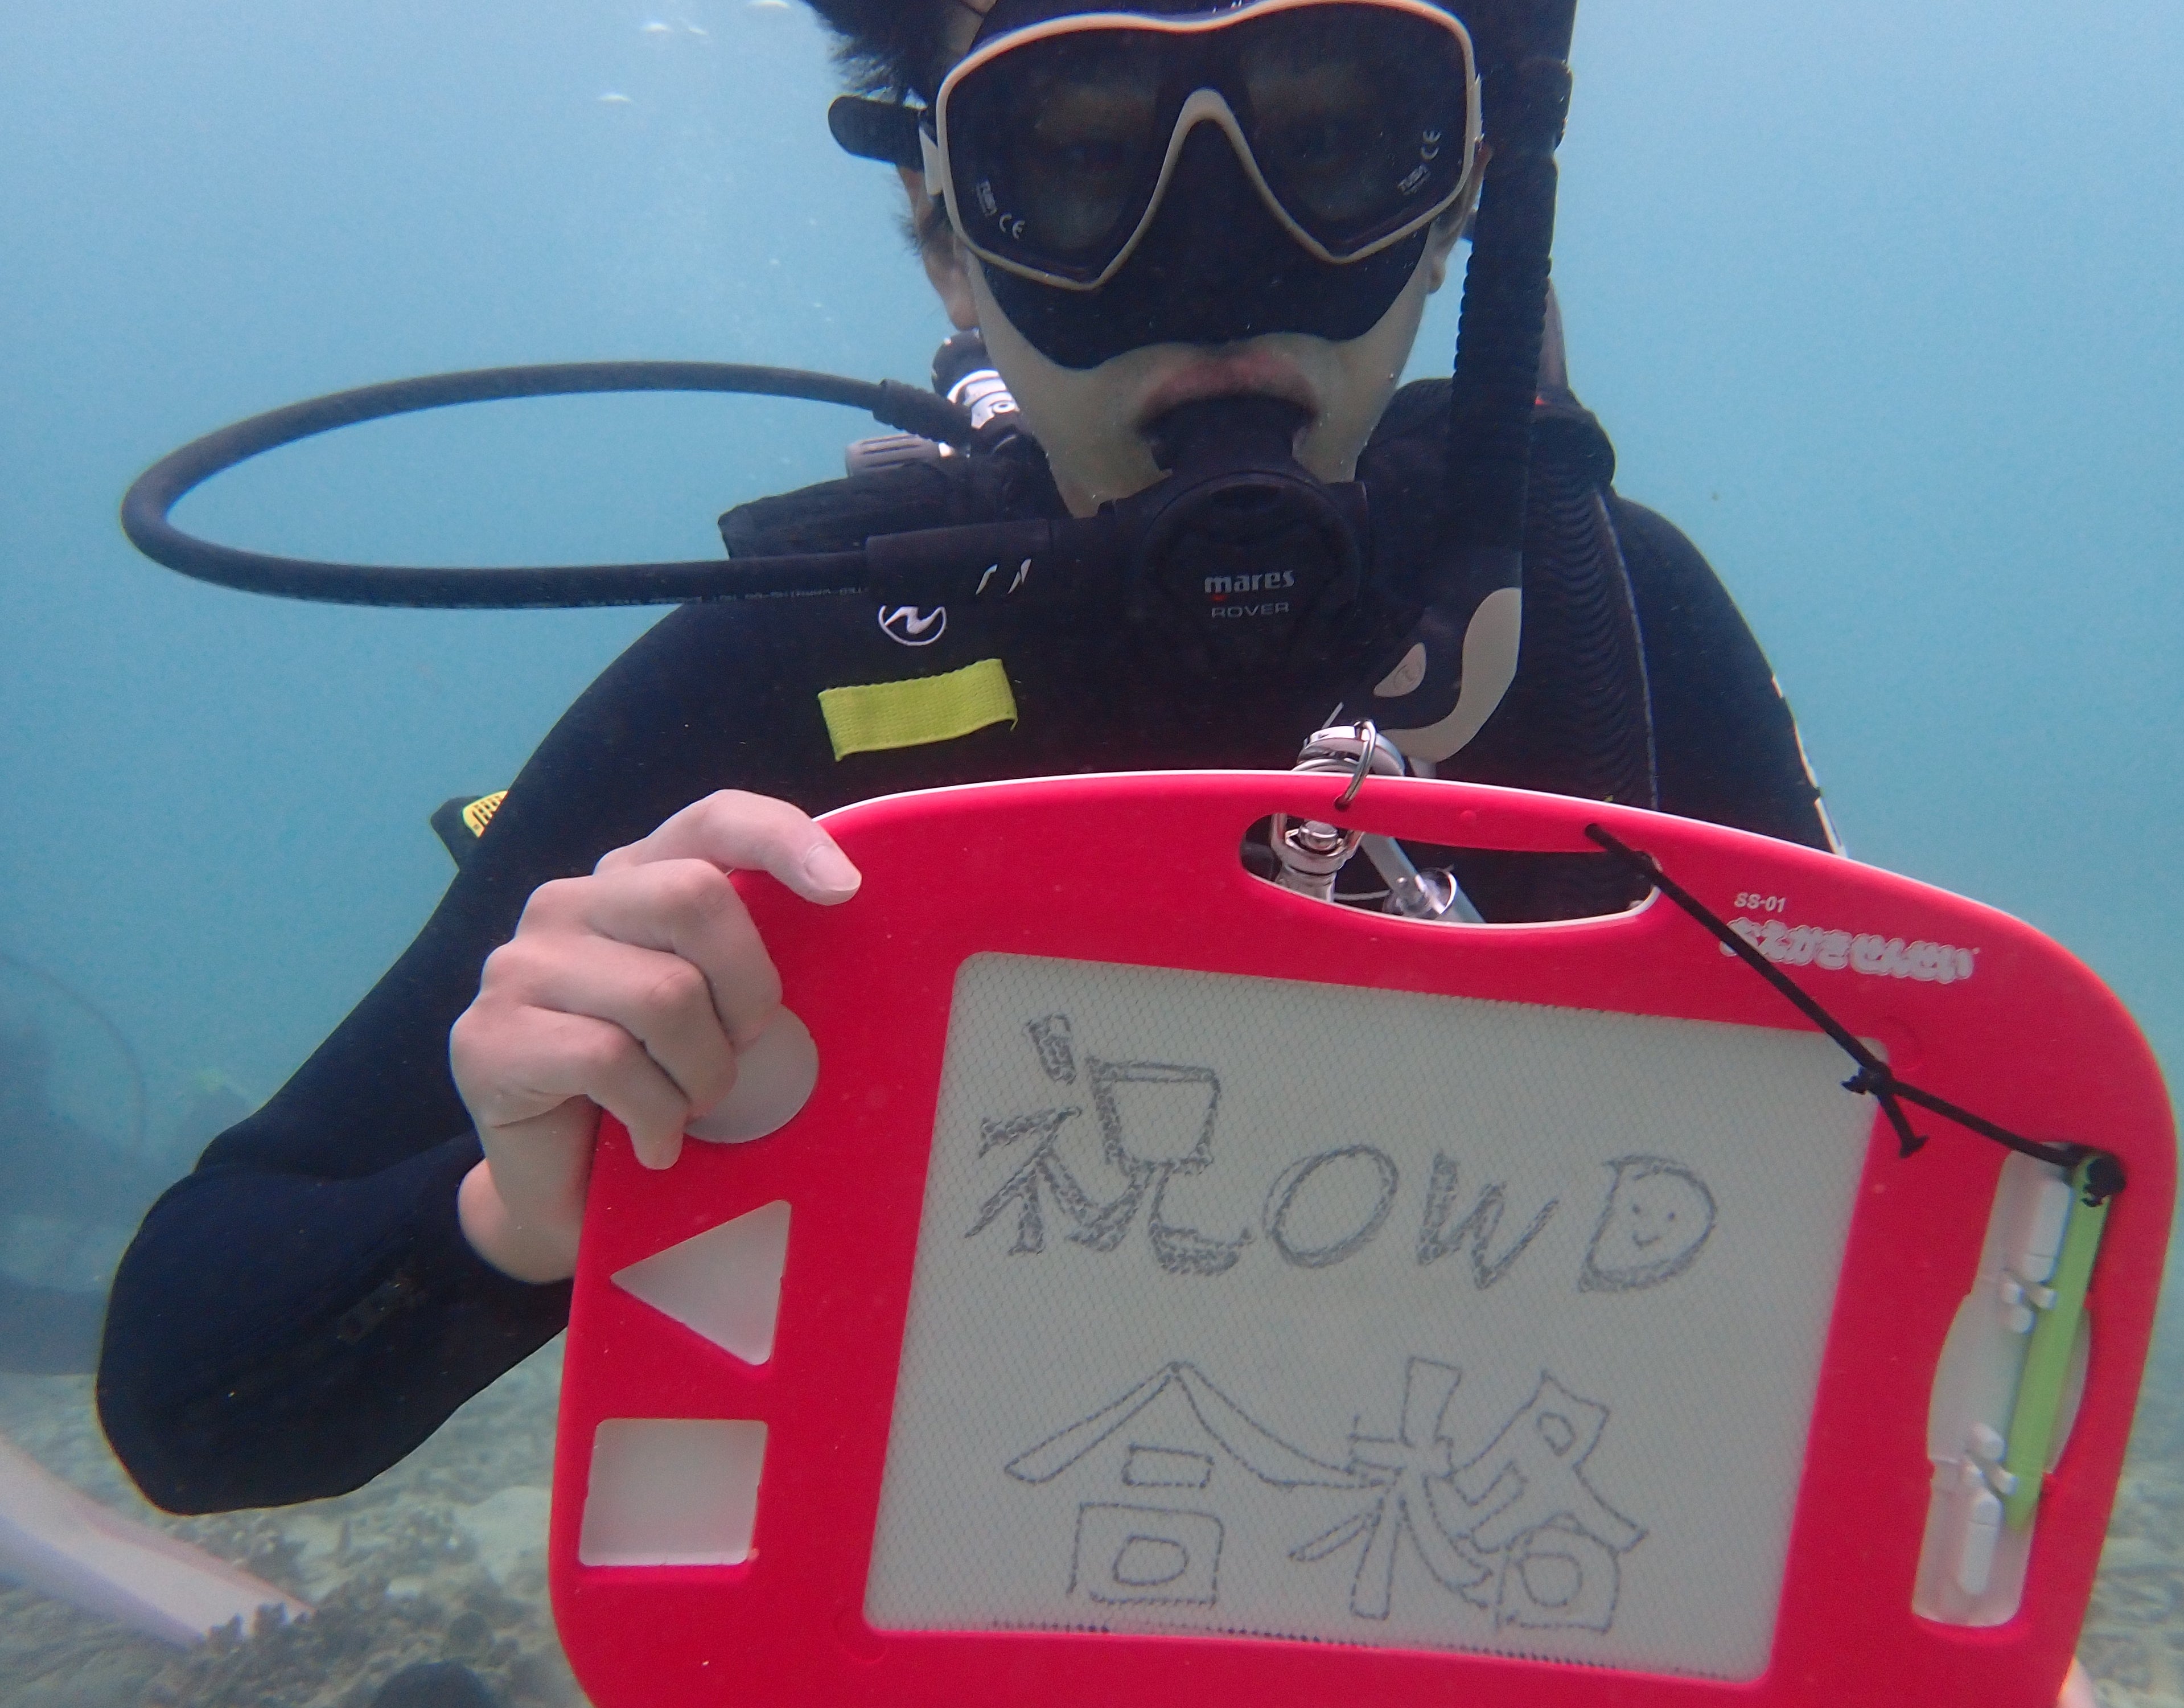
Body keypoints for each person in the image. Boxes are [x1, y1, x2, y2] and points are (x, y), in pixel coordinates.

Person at [97, 0, 1833, 1514]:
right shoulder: (796, 685)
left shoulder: (1600, 626)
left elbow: (1897, 1187)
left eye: (1332, 140)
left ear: (1458, 199)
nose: (1216, 281)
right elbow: (188, 1390)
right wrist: (516, 1207)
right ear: (948, 244)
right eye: (1076, 165)